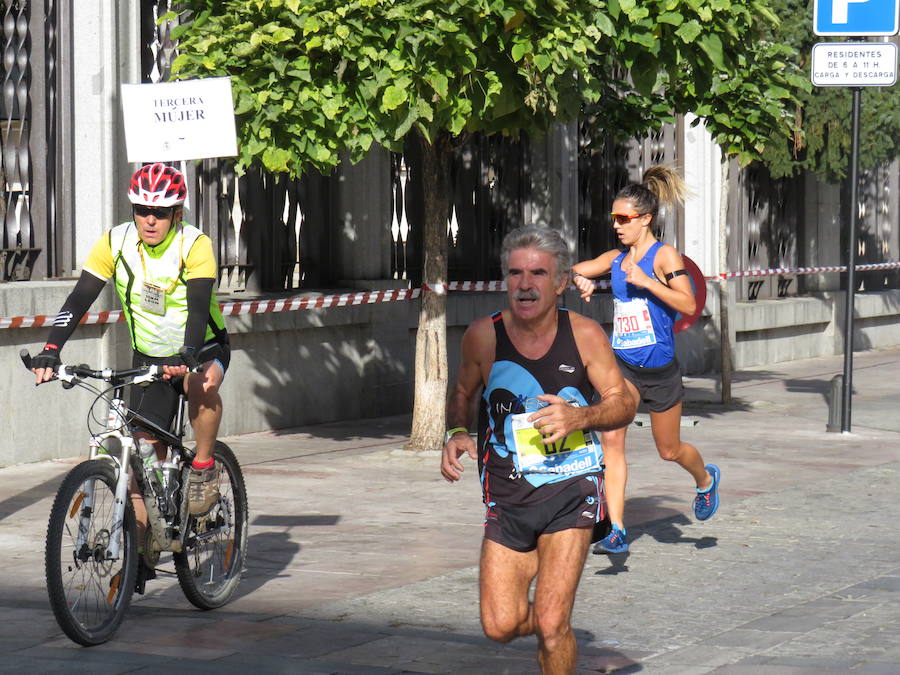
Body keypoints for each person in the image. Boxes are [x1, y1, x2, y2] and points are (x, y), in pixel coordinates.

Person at [441, 225, 635, 675]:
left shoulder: (584, 334)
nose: (525, 284)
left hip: (571, 492)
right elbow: (464, 392)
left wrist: (580, 417)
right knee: (499, 626)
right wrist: (455, 432)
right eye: (515, 273)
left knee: (549, 625)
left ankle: (555, 629)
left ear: (561, 282)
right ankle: (556, 627)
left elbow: (624, 402)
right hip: (507, 499)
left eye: (538, 274)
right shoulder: (482, 336)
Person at [30, 163, 230, 584]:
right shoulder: (115, 242)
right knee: (138, 454)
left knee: (201, 383)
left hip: (201, 348)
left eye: (160, 211)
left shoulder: (194, 244)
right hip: (150, 355)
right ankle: (143, 548)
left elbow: (197, 309)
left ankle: (205, 466)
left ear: (177, 212)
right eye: (142, 210)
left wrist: (190, 354)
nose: (150, 219)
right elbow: (80, 296)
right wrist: (51, 349)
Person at [571, 165, 721, 555]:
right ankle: (616, 528)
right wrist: (581, 279)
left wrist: (648, 282)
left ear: (646, 219)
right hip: (623, 368)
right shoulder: (617, 258)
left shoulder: (663, 256)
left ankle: (705, 479)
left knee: (669, 449)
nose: (617, 225)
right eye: (614, 218)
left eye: (624, 219)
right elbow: (575, 269)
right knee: (613, 440)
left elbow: (689, 302)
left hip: (661, 371)